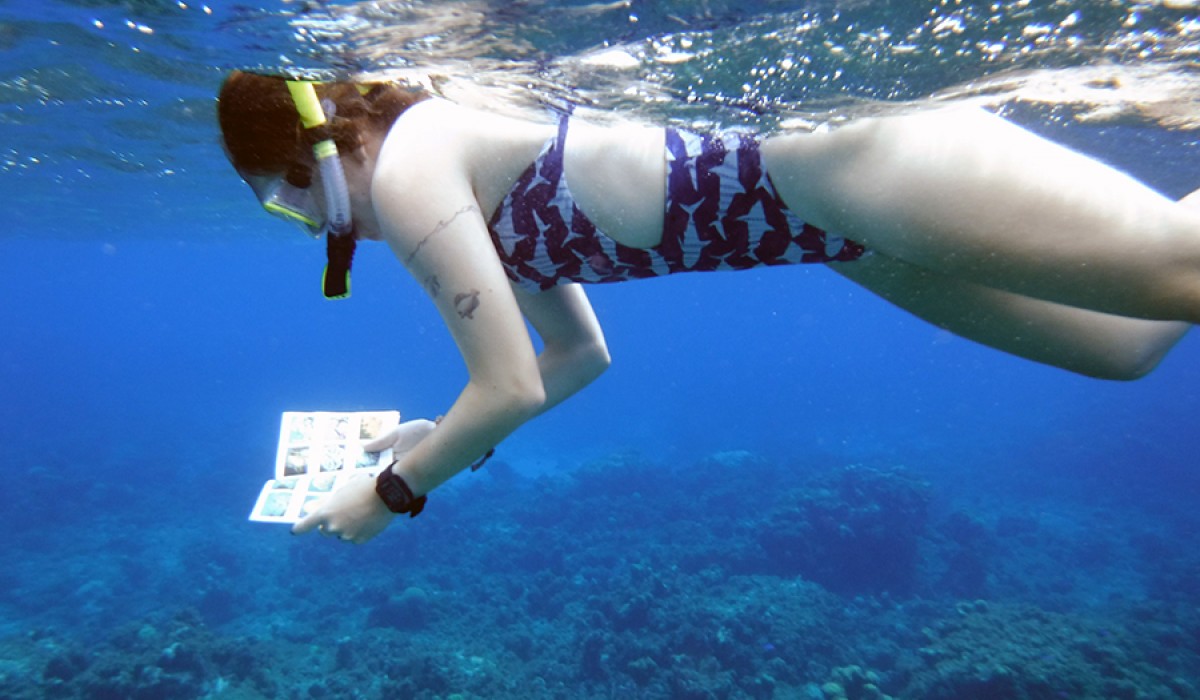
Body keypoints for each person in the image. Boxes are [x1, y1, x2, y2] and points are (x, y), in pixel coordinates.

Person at [217, 70, 1197, 544]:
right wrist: (449, 434)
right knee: (1126, 345)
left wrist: (394, 495)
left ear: (321, 149)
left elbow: (506, 380)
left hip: (861, 169)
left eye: (288, 194)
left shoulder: (411, 169)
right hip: (837, 233)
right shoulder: (451, 185)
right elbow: (573, 357)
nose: (304, 223)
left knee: (1180, 273)